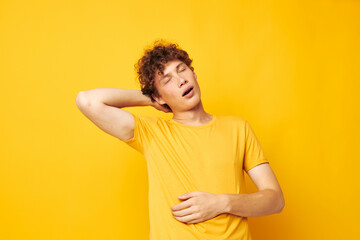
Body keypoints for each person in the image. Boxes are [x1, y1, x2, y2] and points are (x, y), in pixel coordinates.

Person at [76, 39, 285, 240]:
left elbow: (275, 199)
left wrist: (222, 203)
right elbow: (87, 101)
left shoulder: (238, 127)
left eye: (182, 69)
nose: (181, 80)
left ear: (193, 73)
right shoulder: (152, 133)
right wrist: (151, 98)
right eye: (167, 80)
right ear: (158, 96)